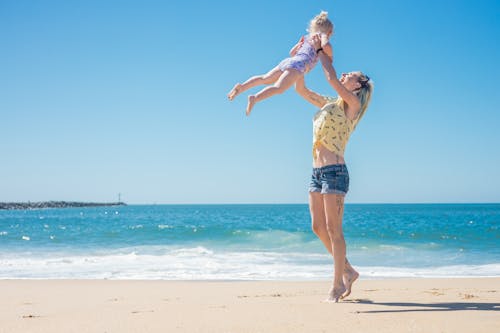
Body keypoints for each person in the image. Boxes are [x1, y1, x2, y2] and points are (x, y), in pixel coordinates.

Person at [295, 34, 373, 302]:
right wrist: (301, 59)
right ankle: (348, 270)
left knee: (334, 230)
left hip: (335, 174)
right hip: (316, 173)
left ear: (358, 86)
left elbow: (330, 76)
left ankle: (337, 285)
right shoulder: (330, 103)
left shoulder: (353, 105)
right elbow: (301, 90)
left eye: (351, 74)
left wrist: (320, 51)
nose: (345, 74)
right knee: (317, 227)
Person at [227, 11, 334, 116]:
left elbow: (292, 53)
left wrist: (299, 45)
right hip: (299, 66)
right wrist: (330, 56)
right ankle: (255, 98)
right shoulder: (322, 36)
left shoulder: (307, 37)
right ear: (328, 32)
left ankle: (242, 87)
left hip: (290, 61)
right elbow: (326, 46)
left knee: (265, 78)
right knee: (279, 88)